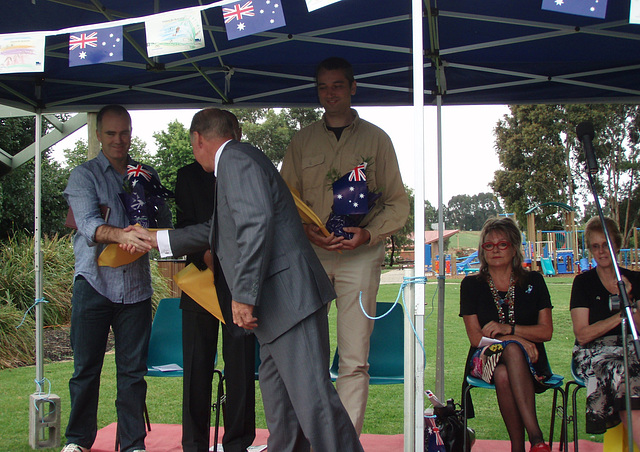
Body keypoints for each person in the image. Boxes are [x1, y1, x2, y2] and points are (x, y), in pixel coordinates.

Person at [145, 108, 362, 452]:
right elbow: (220, 230)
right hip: (278, 312)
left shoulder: (234, 160)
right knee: (283, 414)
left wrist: (243, 295)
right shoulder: (238, 160)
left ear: (198, 138)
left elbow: (255, 224)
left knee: (314, 404)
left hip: (290, 303)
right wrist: (156, 240)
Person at [280, 56, 409, 434]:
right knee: (310, 357)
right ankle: (315, 437)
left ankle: (346, 441)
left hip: (360, 256)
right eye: (322, 86)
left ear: (353, 88)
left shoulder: (377, 139)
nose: (329, 93)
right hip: (312, 256)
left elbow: (398, 203)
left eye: (337, 85)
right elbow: (285, 200)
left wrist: (367, 234)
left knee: (354, 359)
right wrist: (306, 231)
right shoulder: (302, 140)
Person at [62, 105, 172, 452]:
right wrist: (122, 235)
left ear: (131, 131)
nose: (118, 140)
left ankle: (133, 443)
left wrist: (155, 231)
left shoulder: (146, 174)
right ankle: (78, 441)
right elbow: (90, 225)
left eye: (124, 132)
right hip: (93, 284)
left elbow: (165, 220)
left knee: (133, 374)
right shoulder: (83, 176)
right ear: (98, 135)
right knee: (85, 370)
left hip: (136, 288)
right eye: (110, 133)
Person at [175, 110, 255, 452]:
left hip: (238, 283)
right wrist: (208, 255)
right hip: (201, 283)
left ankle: (238, 442)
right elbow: (185, 226)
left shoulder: (246, 172)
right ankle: (193, 443)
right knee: (196, 368)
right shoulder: (188, 176)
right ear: (200, 139)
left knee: (240, 367)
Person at [459, 217, 554, 452]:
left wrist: (509, 330)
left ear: (513, 248)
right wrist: (515, 340)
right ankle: (537, 439)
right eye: (488, 245)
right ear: (482, 251)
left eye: (502, 244)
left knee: (504, 375)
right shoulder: (471, 285)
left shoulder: (534, 281)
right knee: (511, 349)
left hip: (531, 362)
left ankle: (518, 449)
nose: (495, 250)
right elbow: (475, 338)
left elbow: (546, 332)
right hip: (484, 358)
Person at [570, 216, 640, 446]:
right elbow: (583, 334)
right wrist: (622, 314)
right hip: (595, 351)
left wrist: (628, 298)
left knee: (631, 365)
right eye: (595, 246)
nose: (601, 252)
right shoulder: (583, 283)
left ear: (617, 245)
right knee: (621, 370)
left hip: (632, 346)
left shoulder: (635, 280)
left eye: (606, 245)